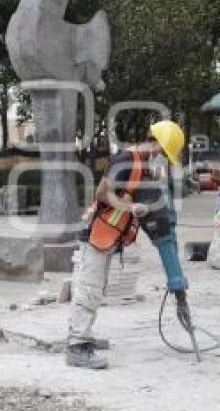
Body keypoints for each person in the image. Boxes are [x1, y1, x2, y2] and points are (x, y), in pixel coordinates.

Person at [66, 119, 185, 369]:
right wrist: (131, 207)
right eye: (163, 153)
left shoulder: (142, 166)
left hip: (110, 235)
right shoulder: (125, 160)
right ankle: (77, 346)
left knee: (96, 288)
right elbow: (102, 193)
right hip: (98, 232)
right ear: (155, 145)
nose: (161, 158)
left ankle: (83, 336)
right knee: (90, 287)